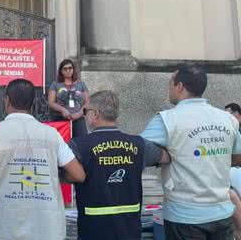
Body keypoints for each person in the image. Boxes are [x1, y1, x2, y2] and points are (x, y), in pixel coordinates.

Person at [0, 79, 86, 240]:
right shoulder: (52, 135)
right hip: (47, 229)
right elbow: (78, 174)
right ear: (32, 104)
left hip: (5, 229)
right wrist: (50, 173)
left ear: (7, 100)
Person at [141, 64, 241, 240]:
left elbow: (137, 150)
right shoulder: (228, 119)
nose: (169, 89)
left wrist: (163, 156)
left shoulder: (167, 120)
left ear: (179, 87)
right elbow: (237, 158)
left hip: (184, 216)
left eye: (170, 83)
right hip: (222, 213)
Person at [68, 90, 170, 240]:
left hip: (93, 230)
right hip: (130, 230)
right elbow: (166, 157)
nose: (84, 115)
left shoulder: (78, 145)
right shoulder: (139, 144)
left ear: (95, 113)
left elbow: (66, 174)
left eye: (85, 111)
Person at [48, 59, 89, 137]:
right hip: (61, 119)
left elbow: (87, 102)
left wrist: (79, 113)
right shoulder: (55, 84)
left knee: (81, 143)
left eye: (70, 68)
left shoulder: (81, 84)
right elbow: (51, 102)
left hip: (78, 120)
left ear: (73, 69)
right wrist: (63, 110)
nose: (68, 70)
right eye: (65, 69)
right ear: (61, 71)